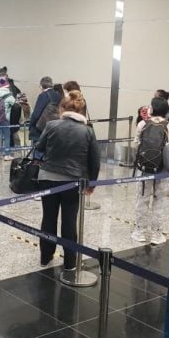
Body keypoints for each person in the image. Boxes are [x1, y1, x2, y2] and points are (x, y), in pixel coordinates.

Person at [36, 91, 100, 269]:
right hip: (73, 182)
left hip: (48, 178)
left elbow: (39, 148)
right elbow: (94, 160)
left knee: (48, 218)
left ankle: (45, 256)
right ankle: (70, 261)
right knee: (70, 221)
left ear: (62, 108)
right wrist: (92, 182)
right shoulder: (88, 131)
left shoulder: (51, 125)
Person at [131, 97, 169, 245]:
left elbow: (135, 145)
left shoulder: (143, 124)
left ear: (153, 109)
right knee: (159, 201)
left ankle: (140, 232)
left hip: (144, 170)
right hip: (162, 171)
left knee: (142, 200)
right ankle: (157, 234)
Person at [28, 76, 60, 144]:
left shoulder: (43, 95)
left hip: (41, 130)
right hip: (54, 128)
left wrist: (31, 125)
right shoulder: (58, 95)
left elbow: (36, 114)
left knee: (38, 152)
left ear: (41, 86)